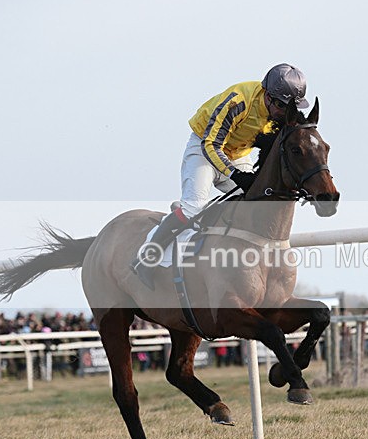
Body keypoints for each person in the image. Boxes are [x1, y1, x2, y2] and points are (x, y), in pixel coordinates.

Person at [131, 63, 311, 288]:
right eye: (282, 107)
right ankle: (147, 258)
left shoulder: (282, 113)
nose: (285, 113)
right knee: (193, 207)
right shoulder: (239, 102)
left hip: (237, 152)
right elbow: (211, 144)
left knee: (257, 200)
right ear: (268, 96)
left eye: (290, 108)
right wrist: (235, 174)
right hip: (204, 148)